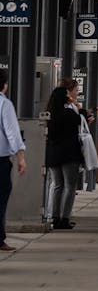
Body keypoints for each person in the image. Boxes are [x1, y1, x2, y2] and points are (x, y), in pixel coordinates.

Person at [42, 80, 82, 230]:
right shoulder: (69, 113)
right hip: (69, 154)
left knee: (58, 185)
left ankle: (54, 216)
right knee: (70, 186)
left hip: (53, 154)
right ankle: (65, 218)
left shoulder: (49, 114)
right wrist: (77, 106)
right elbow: (80, 120)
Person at [0, 70, 28, 253]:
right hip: (0, 160)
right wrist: (21, 157)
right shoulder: (4, 103)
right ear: (4, 85)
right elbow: (12, 132)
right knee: (0, 200)